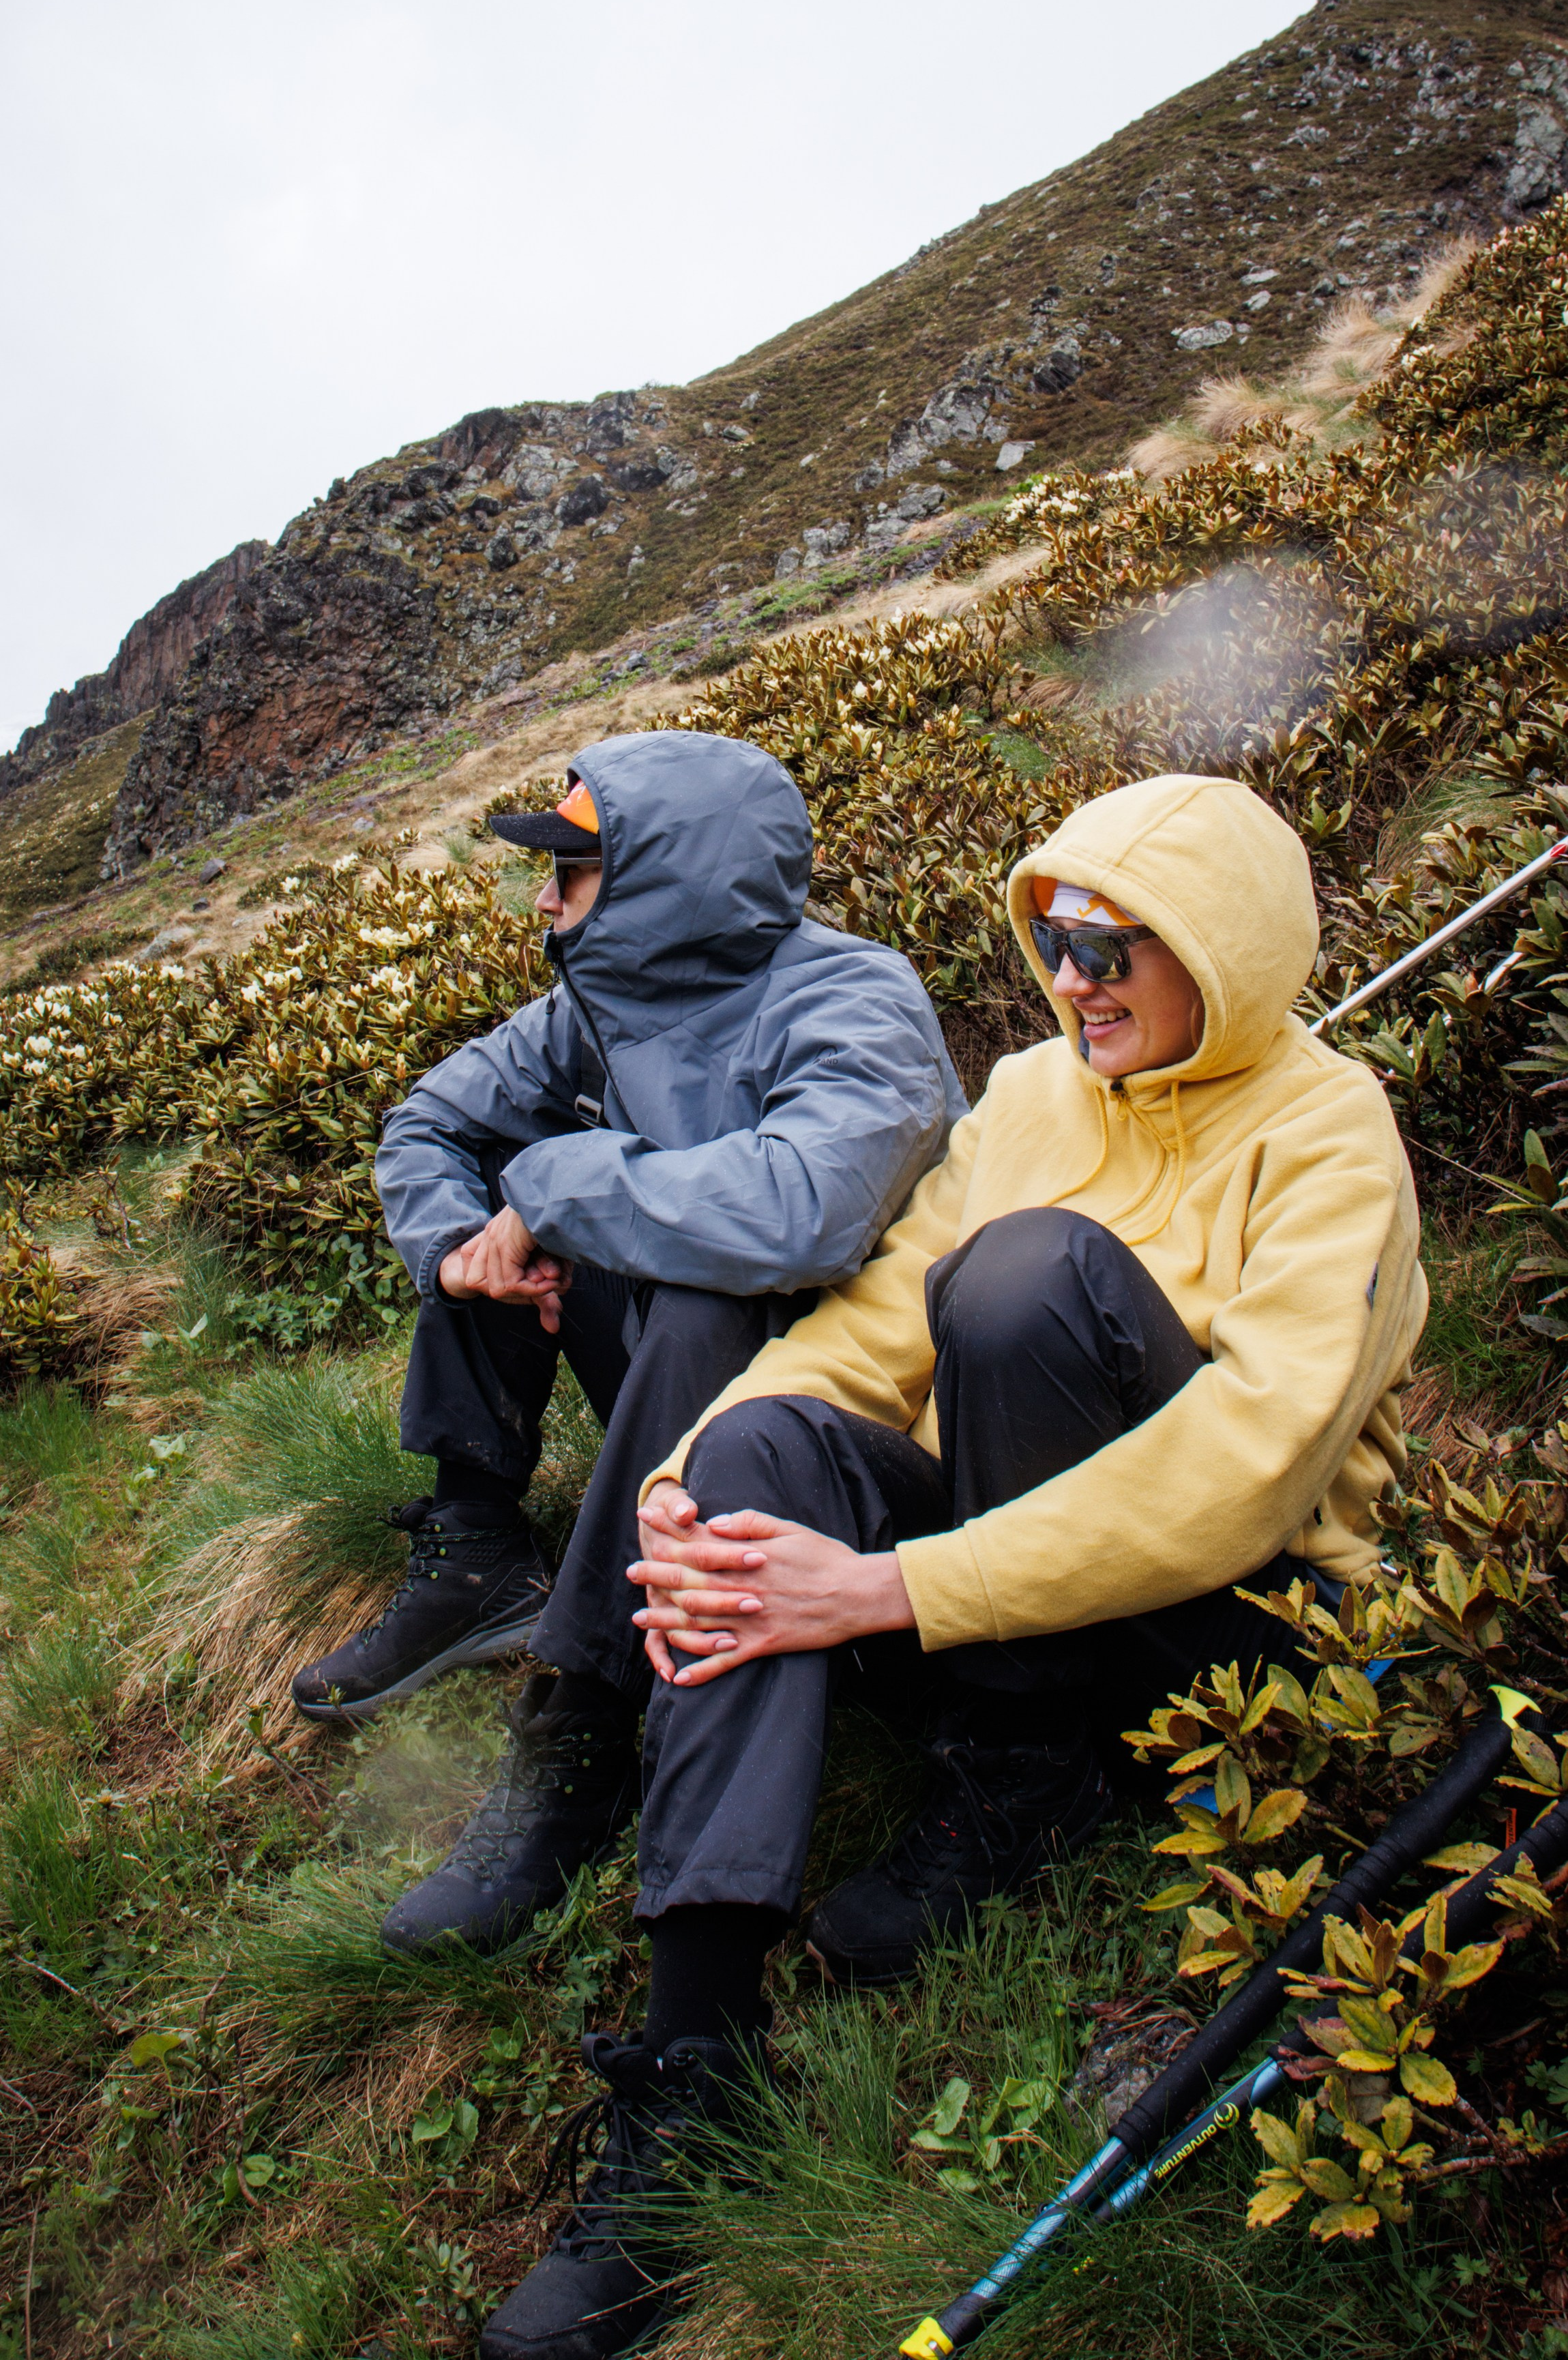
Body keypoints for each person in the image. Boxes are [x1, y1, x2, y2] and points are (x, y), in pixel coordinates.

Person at [479, 770, 1427, 2360]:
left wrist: (890, 1590)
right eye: (1055, 935)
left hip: (1226, 1649)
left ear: (1227, 943)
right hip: (1003, 1605)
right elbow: (865, 1325)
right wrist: (682, 1475)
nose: (1072, 979)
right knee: (761, 1452)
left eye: (1119, 944)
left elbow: (1249, 1467)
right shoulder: (1031, 1094)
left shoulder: (1332, 1131)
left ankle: (1027, 1781)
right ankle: (697, 2062)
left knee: (1024, 1277)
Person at [290, 727, 966, 1958]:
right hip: (684, 1395)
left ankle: (583, 1727)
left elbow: (799, 1215)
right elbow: (426, 1122)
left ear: (674, 870)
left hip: (837, 1438)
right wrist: (462, 1243)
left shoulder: (855, 997)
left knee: (664, 1255)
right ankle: (478, 1552)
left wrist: (550, 1191)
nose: (544, 900)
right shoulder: (593, 1008)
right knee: (495, 1186)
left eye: (573, 869)